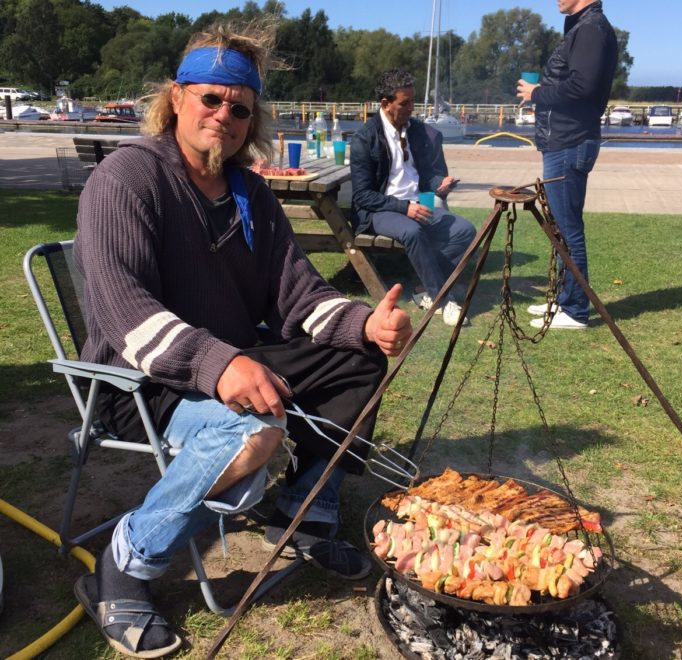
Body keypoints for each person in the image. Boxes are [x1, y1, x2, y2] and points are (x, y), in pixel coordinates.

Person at [72, 22, 411, 658]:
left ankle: (301, 513)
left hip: (225, 360)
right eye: (211, 98)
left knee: (360, 359)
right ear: (177, 97)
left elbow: (297, 295)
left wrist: (364, 323)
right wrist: (219, 363)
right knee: (254, 432)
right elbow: (122, 307)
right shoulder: (127, 177)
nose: (223, 115)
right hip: (137, 379)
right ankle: (126, 561)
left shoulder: (250, 190)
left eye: (240, 107)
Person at [517, 0, 618, 330]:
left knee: (568, 230)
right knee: (560, 227)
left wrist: (537, 93)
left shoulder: (590, 29)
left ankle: (575, 310)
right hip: (563, 142)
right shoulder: (582, 26)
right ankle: (563, 299)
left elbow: (581, 87)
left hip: (571, 143)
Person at [350, 68, 477, 327]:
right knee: (413, 232)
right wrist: (404, 207)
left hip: (417, 204)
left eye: (413, 102)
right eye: (405, 103)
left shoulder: (417, 131)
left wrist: (439, 184)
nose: (412, 109)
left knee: (465, 231)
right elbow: (363, 195)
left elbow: (425, 176)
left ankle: (423, 286)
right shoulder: (365, 138)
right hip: (380, 210)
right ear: (385, 104)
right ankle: (442, 298)